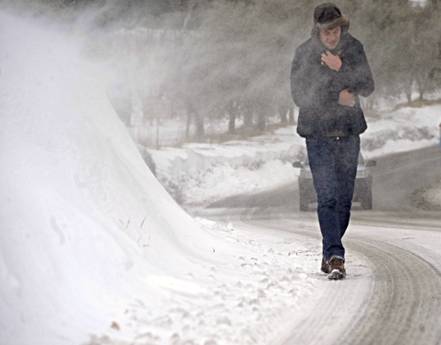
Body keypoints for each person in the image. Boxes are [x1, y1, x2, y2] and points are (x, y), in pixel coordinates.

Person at [290, 3, 374, 279]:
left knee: (344, 202)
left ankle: (330, 252)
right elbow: (300, 95)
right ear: (318, 30)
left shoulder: (354, 49)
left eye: (335, 30)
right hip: (318, 137)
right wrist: (337, 96)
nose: (331, 36)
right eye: (326, 31)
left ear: (342, 27)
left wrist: (342, 69)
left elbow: (367, 85)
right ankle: (336, 255)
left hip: (348, 134)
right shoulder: (304, 54)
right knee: (326, 198)